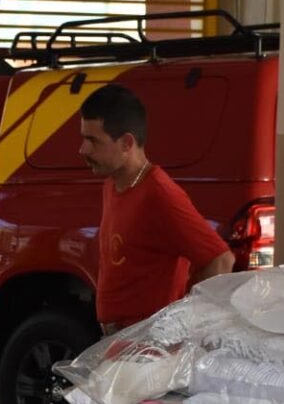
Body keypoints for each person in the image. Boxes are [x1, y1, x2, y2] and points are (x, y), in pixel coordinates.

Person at [79, 84, 234, 332]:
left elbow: (221, 259)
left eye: (93, 141)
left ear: (126, 143)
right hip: (116, 339)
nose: (83, 150)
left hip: (148, 351)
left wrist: (179, 324)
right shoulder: (112, 184)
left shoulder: (160, 195)